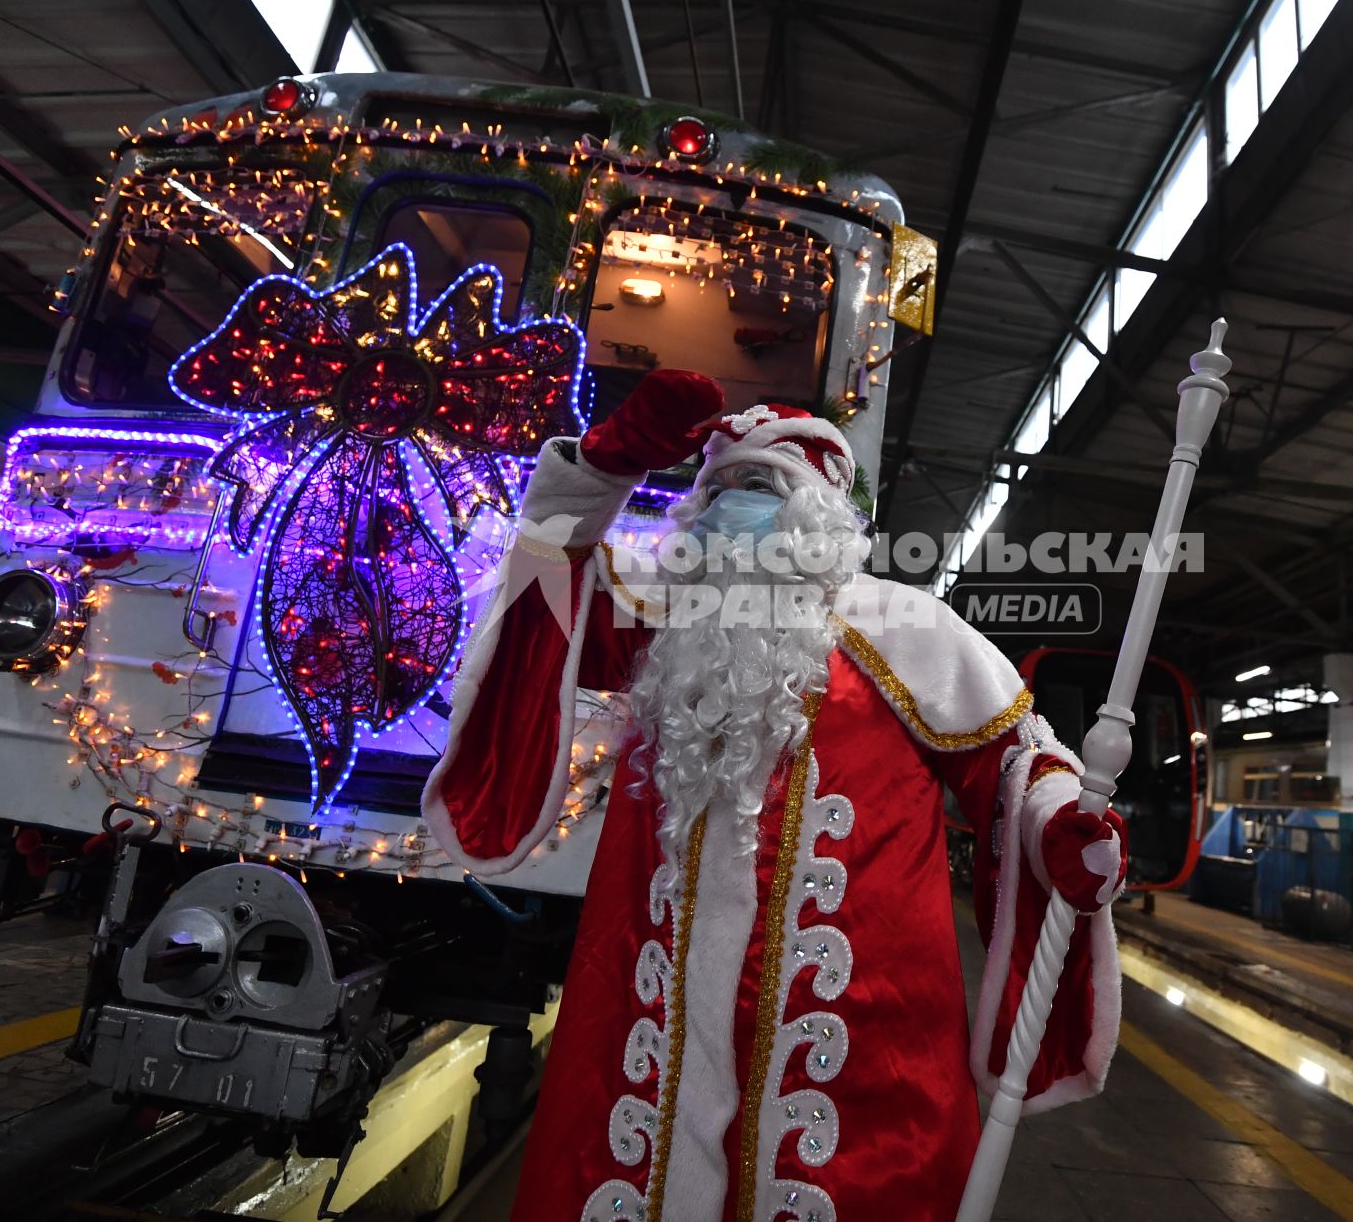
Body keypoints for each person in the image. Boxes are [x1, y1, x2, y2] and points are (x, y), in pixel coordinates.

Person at [423, 372, 1127, 1221]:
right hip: (649, 1041)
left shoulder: (907, 630)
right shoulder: (665, 617)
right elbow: (544, 590)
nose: (727, 509)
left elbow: (1017, 761)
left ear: (819, 518)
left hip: (862, 1054)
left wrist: (1061, 827)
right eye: (714, 488)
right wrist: (600, 472)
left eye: (758, 488)